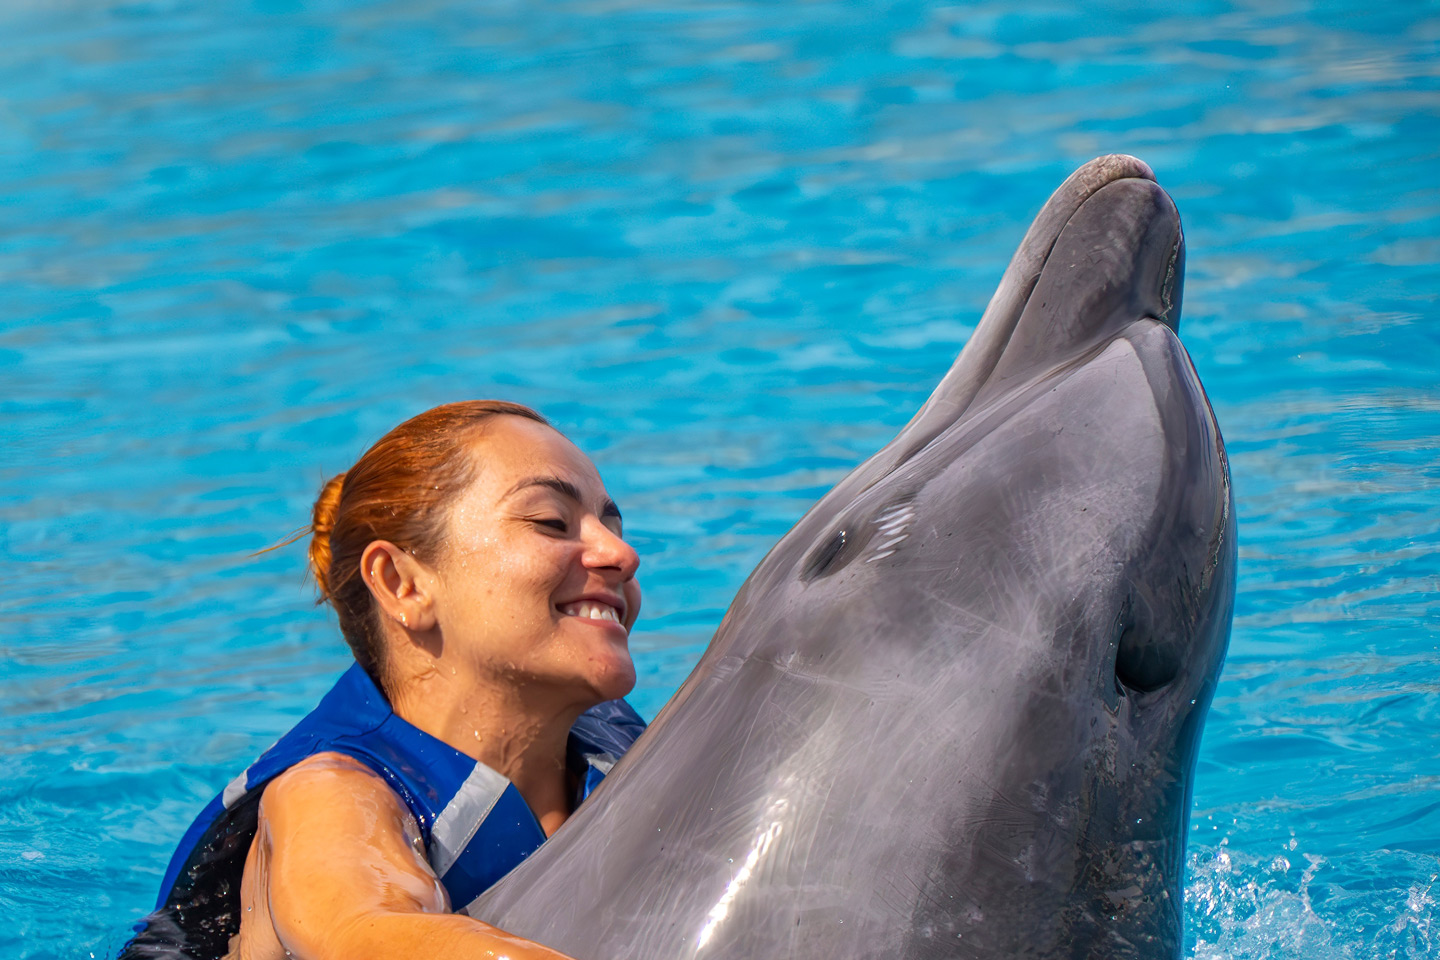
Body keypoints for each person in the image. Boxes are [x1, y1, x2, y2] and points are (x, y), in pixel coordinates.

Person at [121, 401, 646, 960]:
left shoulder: (612, 746)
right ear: (402, 584)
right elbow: (369, 935)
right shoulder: (329, 796)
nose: (622, 555)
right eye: (550, 522)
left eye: (613, 527)